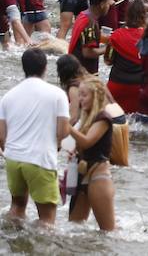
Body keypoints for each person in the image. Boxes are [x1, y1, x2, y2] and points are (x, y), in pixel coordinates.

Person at [0, 50, 70, 226]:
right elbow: (63, 132)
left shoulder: (8, 96)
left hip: (13, 159)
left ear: (24, 68)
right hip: (40, 159)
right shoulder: (57, 94)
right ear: (46, 67)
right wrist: (58, 147)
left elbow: (1, 136)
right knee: (47, 219)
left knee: (16, 207)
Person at [66, 75, 125, 231]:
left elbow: (87, 141)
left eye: (84, 95)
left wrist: (68, 127)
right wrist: (75, 153)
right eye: (79, 95)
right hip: (82, 175)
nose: (80, 99)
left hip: (98, 177)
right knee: (74, 228)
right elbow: (83, 146)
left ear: (96, 96)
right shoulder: (86, 118)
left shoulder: (103, 118)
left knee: (108, 231)